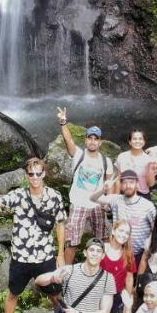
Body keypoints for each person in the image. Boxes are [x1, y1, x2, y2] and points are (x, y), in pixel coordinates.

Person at [0, 157, 66, 313]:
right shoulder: (19, 196)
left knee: (55, 293)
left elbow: (61, 224)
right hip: (21, 257)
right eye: (31, 174)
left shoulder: (54, 196)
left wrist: (60, 254)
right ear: (26, 175)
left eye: (39, 173)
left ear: (44, 173)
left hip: (45, 256)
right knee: (13, 293)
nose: (35, 177)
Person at [56, 107, 116, 263]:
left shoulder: (106, 161)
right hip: (78, 204)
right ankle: (66, 273)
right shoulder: (78, 155)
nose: (93, 141)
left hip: (97, 206)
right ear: (86, 140)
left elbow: (108, 184)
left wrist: (107, 202)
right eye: (90, 138)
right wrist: (63, 122)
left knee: (102, 239)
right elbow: (68, 140)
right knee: (72, 241)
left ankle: (102, 270)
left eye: (96, 139)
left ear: (100, 142)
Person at [90, 170, 156, 263]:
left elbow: (155, 229)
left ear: (137, 184)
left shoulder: (148, 206)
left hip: (139, 254)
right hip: (119, 252)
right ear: (120, 186)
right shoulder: (116, 200)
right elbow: (92, 198)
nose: (128, 185)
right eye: (124, 182)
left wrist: (148, 248)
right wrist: (104, 189)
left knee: (136, 278)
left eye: (131, 182)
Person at [116, 130, 157, 202]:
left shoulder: (149, 159)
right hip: (125, 194)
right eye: (134, 139)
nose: (137, 141)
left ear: (144, 142)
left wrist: (150, 168)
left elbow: (151, 184)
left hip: (142, 196)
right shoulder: (122, 157)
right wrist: (116, 198)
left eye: (140, 139)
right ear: (130, 142)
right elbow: (118, 179)